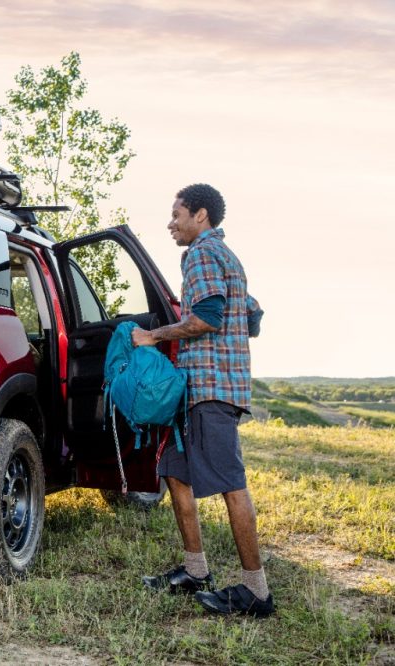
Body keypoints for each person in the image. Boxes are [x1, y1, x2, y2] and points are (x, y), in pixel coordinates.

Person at [132, 183, 273, 618]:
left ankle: (257, 593)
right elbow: (252, 315)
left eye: (177, 214)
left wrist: (152, 335)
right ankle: (196, 570)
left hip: (212, 390)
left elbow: (208, 318)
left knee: (231, 485)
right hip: (195, 390)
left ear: (201, 216)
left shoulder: (202, 255)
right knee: (175, 473)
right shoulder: (225, 257)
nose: (170, 223)